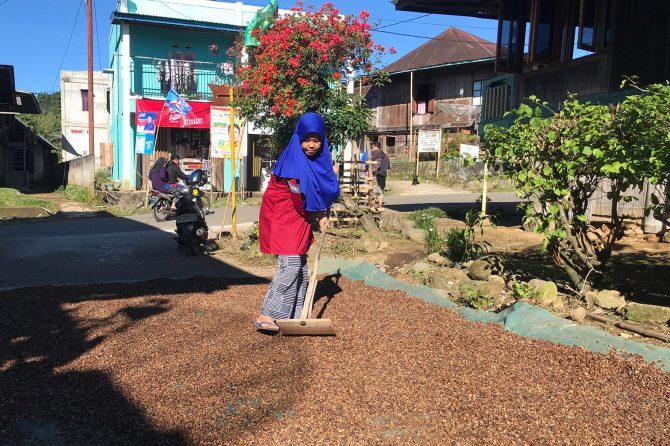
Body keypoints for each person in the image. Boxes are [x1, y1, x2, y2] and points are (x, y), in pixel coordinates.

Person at [254, 112, 340, 334]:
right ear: (299, 138)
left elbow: (317, 190)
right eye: (307, 140)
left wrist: (320, 212)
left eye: (316, 140)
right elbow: (298, 195)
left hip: (298, 217)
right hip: (282, 217)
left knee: (300, 267)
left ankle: (293, 314)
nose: (311, 145)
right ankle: (268, 313)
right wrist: (319, 215)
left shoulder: (317, 161)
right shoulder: (293, 161)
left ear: (322, 140)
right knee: (290, 265)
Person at [370, 141, 390, 207]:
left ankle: (372, 204)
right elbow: (388, 166)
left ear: (374, 146)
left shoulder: (373, 154)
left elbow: (369, 162)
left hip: (376, 173)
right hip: (383, 173)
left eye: (372, 147)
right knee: (381, 188)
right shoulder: (385, 155)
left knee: (373, 188)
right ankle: (380, 204)